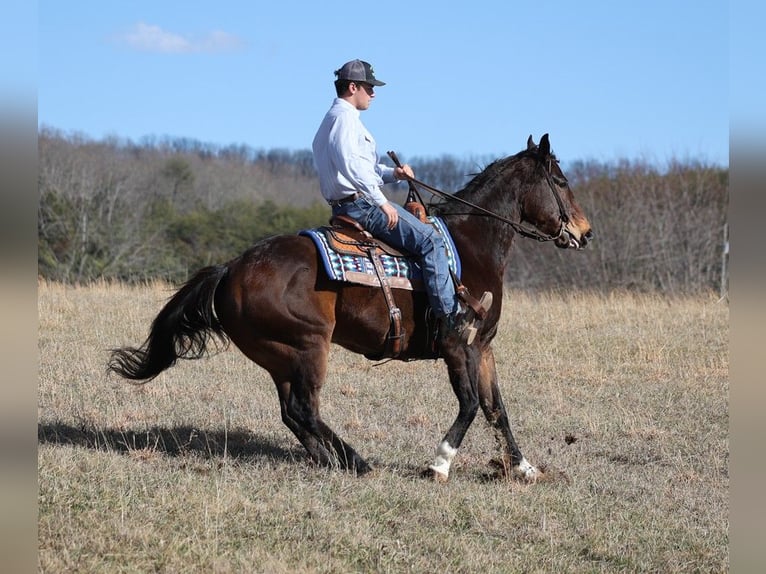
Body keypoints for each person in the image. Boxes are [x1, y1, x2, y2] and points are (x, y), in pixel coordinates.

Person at [311, 59, 491, 344]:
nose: (373, 93)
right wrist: (381, 202)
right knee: (430, 241)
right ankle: (451, 318)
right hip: (362, 206)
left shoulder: (332, 120)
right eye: (369, 87)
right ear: (353, 87)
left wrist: (393, 173)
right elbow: (352, 169)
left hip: (348, 202)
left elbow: (363, 169)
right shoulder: (345, 120)